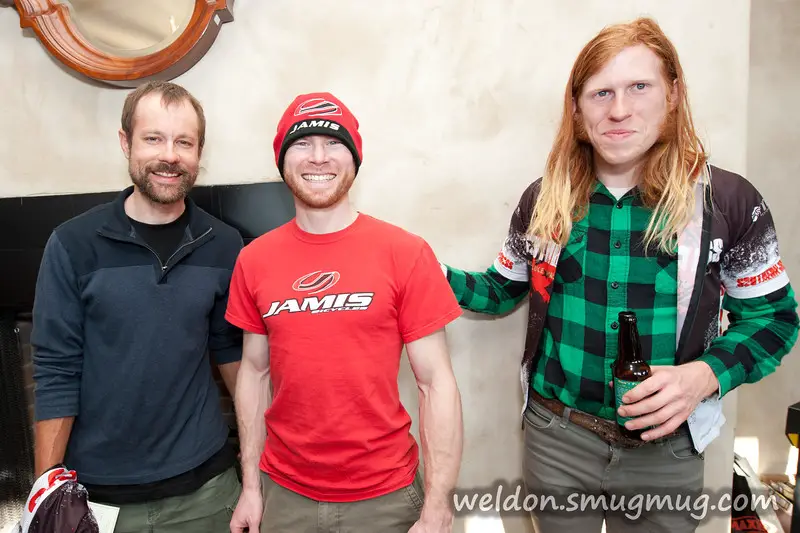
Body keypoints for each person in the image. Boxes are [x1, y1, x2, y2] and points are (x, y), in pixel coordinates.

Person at [440, 17, 799, 532]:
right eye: (600, 92)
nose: (619, 109)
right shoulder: (544, 201)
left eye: (639, 87)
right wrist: (423, 271)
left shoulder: (729, 202)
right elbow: (502, 289)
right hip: (557, 440)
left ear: (673, 94)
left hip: (667, 450)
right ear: (576, 108)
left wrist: (703, 377)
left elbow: (773, 319)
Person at [225, 92, 464, 533]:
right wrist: (252, 488)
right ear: (282, 160)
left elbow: (437, 384)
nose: (318, 157)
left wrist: (438, 506)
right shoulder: (254, 260)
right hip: (284, 495)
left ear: (354, 157)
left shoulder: (405, 253)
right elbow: (254, 375)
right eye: (302, 143)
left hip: (388, 496)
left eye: (334, 143)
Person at [30, 80, 244, 532]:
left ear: (198, 151)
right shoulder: (72, 244)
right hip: (98, 499)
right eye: (154, 138)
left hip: (208, 490)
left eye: (184, 142)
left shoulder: (223, 244)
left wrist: (259, 468)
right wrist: (46, 493)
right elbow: (55, 367)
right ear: (126, 142)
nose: (170, 155)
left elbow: (234, 357)